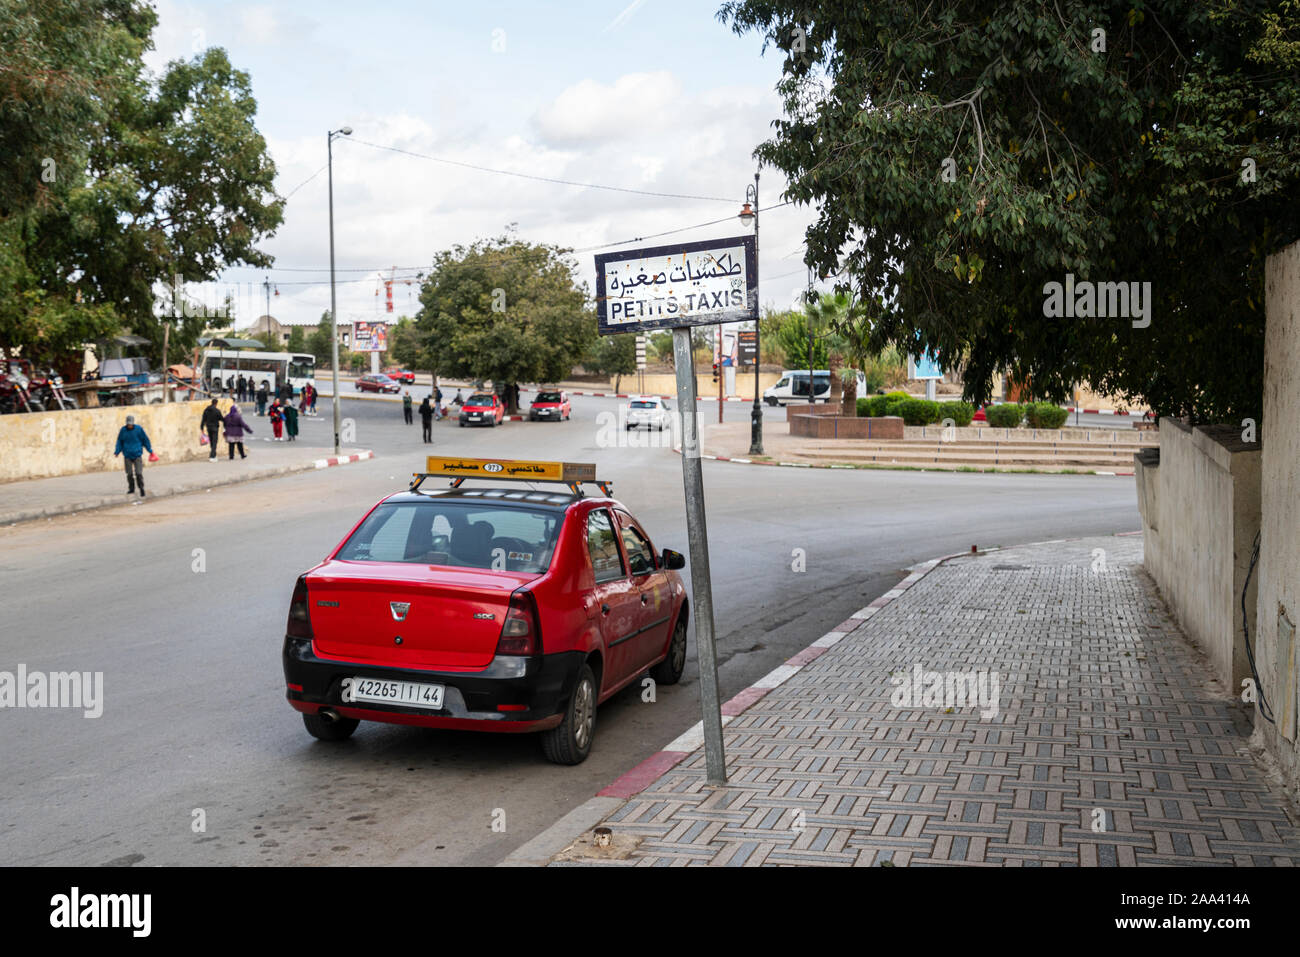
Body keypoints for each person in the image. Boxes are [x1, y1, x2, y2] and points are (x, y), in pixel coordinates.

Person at [113, 414, 153, 500]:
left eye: (131, 424)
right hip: (127, 454)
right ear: (126, 423)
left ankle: (141, 488)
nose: (129, 426)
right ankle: (131, 488)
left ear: (133, 423)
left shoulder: (139, 429)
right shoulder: (123, 430)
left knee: (138, 473)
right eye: (128, 424)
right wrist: (117, 451)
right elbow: (119, 441)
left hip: (137, 454)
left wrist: (150, 450)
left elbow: (145, 440)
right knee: (129, 473)